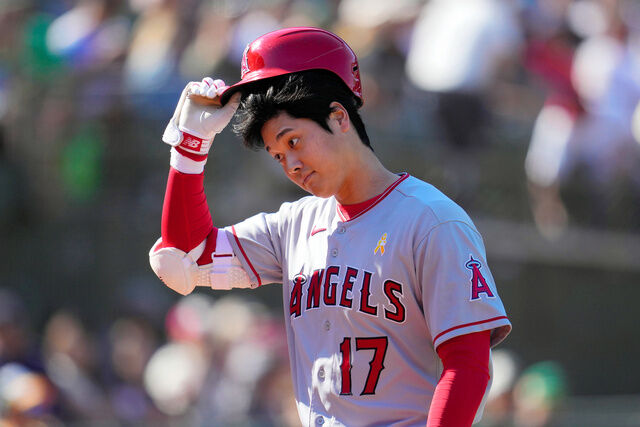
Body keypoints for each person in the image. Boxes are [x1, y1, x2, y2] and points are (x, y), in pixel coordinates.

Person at [149, 27, 511, 427]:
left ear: (338, 117)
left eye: (293, 142)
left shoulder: (432, 221)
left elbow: (467, 366)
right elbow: (185, 257)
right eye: (277, 156)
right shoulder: (293, 225)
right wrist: (189, 149)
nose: (291, 165)